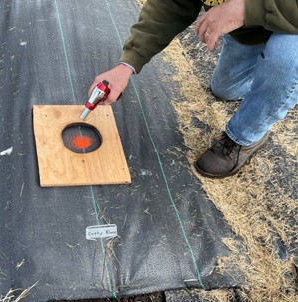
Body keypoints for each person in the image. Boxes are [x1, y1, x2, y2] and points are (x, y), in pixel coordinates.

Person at [89, 0, 298, 178]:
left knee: (284, 62)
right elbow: (172, 4)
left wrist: (248, 8)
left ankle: (246, 136)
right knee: (225, 90)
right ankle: (272, 74)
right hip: (252, 30)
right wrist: (127, 64)